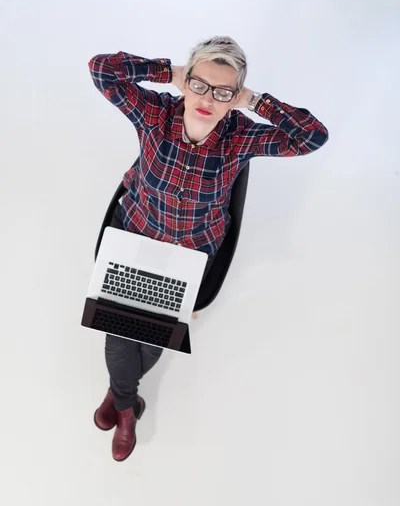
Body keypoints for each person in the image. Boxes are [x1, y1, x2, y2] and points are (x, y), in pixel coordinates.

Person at [88, 36, 329, 461]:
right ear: (186, 81)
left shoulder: (240, 137)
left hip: (188, 257)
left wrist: (254, 101)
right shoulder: (155, 113)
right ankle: (127, 407)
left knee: (151, 338)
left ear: (234, 97)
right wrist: (167, 73)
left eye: (223, 92)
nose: (207, 99)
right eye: (200, 85)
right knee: (119, 338)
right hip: (136, 238)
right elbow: (101, 68)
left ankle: (120, 395)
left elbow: (312, 137)